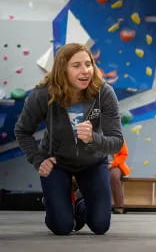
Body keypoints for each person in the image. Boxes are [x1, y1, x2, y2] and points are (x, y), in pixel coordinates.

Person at [14, 43, 123, 235]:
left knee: (100, 226)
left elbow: (116, 141)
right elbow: (22, 131)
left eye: (88, 64)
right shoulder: (42, 94)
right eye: (76, 65)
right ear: (62, 69)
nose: (85, 71)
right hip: (57, 162)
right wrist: (39, 160)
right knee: (62, 227)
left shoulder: (103, 93)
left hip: (92, 163)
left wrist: (93, 139)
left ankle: (81, 204)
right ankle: (55, 203)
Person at [109, 141, 130, 214]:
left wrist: (113, 164)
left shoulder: (118, 138)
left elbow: (124, 154)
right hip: (99, 164)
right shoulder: (95, 136)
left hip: (115, 165)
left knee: (114, 176)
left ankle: (119, 206)